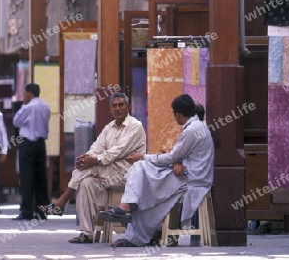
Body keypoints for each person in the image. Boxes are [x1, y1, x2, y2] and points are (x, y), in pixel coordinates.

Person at [99, 94, 214, 247]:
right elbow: (179, 156)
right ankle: (130, 213)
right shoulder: (197, 127)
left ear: (178, 114)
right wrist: (176, 162)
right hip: (189, 173)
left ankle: (129, 215)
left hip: (192, 178)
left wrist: (143, 156)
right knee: (143, 178)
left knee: (142, 174)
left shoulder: (192, 130)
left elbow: (171, 157)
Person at [39, 92, 146, 243]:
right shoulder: (109, 127)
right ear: (111, 109)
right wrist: (87, 158)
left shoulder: (135, 126)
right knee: (85, 182)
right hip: (107, 174)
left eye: (121, 105)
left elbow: (118, 151)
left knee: (86, 169)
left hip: (125, 175)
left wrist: (94, 160)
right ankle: (86, 233)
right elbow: (97, 147)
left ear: (128, 107)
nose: (117, 108)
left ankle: (62, 201)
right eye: (114, 106)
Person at [11, 83, 51, 221]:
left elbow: (16, 122)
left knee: (27, 178)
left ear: (29, 93)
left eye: (24, 93)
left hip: (28, 143)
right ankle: (42, 211)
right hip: (40, 144)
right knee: (41, 178)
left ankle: (26, 211)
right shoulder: (45, 106)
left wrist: (23, 105)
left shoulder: (28, 107)